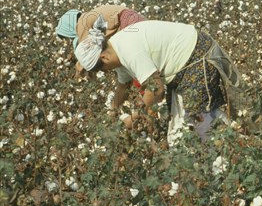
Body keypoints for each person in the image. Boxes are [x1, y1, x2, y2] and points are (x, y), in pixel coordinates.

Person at [74, 17, 240, 145]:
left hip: (196, 56)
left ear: (104, 57)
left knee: (196, 122)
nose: (104, 71)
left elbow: (155, 90)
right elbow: (123, 86)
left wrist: (133, 118)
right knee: (183, 127)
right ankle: (231, 135)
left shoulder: (129, 50)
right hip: (184, 65)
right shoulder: (115, 49)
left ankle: (230, 147)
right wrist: (113, 111)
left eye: (101, 69)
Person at [55, 5, 146, 76]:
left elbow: (85, 50)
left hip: (128, 24)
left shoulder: (82, 23)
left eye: (69, 37)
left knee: (138, 64)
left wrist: (79, 68)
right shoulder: (89, 20)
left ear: (69, 27)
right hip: (131, 21)